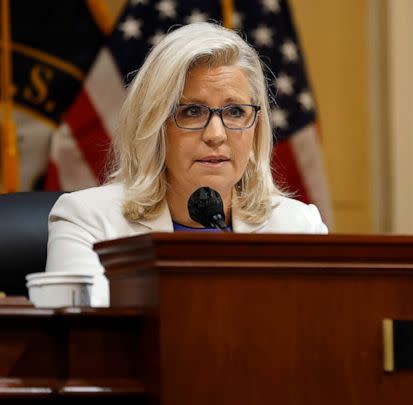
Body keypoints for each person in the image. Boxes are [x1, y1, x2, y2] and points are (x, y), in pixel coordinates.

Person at [45, 22, 328, 307]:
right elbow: (87, 344)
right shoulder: (87, 223)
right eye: (192, 111)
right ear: (154, 127)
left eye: (235, 111)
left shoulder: (299, 227)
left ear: (256, 130)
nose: (216, 135)